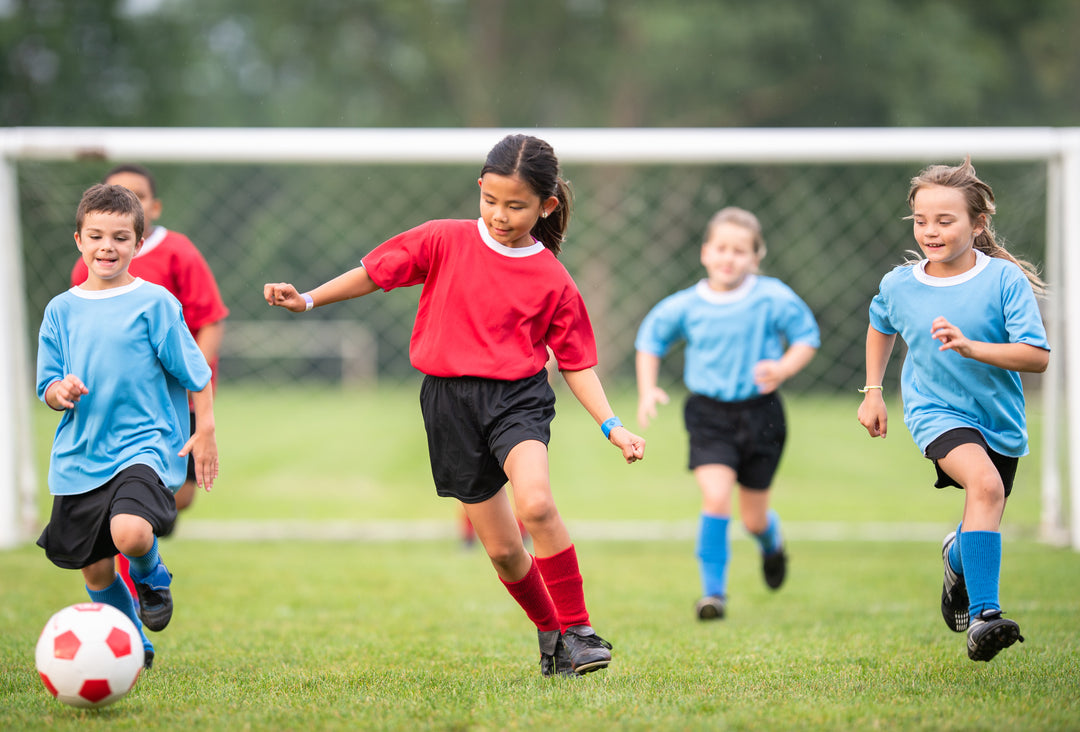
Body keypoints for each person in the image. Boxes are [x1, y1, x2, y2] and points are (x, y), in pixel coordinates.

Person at [264, 134, 645, 678]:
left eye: (516, 206)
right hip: (448, 405)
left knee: (535, 505)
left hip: (517, 399)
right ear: (480, 190)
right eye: (491, 200)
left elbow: (576, 361)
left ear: (547, 206)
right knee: (505, 554)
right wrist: (307, 299)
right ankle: (553, 637)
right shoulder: (443, 239)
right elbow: (375, 272)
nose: (500, 215)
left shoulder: (554, 279)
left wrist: (612, 425)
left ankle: (580, 630)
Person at [857, 158, 1049, 663]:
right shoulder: (900, 284)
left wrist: (973, 348)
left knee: (986, 507)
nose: (930, 231)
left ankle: (956, 555)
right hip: (935, 411)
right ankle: (986, 616)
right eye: (921, 220)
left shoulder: (1004, 280)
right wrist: (872, 390)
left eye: (945, 221)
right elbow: (881, 323)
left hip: (998, 418)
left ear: (977, 223)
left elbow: (1037, 357)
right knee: (984, 487)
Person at [37, 183, 219, 670]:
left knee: (131, 533)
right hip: (81, 455)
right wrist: (61, 390)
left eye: (120, 238)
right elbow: (47, 386)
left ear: (139, 244)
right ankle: (131, 641)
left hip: (145, 446)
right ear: (79, 240)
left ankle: (152, 576)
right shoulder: (60, 310)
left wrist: (205, 431)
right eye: (96, 236)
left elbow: (194, 371)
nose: (107, 247)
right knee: (95, 570)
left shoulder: (155, 303)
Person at [635, 206, 819, 621]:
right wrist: (648, 388)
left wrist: (785, 367)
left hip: (762, 414)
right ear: (705, 253)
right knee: (716, 497)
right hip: (708, 414)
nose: (729, 257)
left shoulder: (772, 296)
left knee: (753, 519)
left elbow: (807, 336)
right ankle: (713, 596)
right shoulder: (686, 305)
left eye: (740, 250)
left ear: (755, 257)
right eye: (721, 248)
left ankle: (771, 545)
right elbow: (651, 338)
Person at [70, 164, 229, 611]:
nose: (128, 203)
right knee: (128, 517)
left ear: (152, 209)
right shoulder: (87, 273)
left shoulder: (176, 251)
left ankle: (142, 538)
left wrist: (198, 383)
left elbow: (210, 318)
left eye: (137, 196)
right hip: (119, 411)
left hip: (177, 400)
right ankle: (133, 563)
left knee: (181, 496)